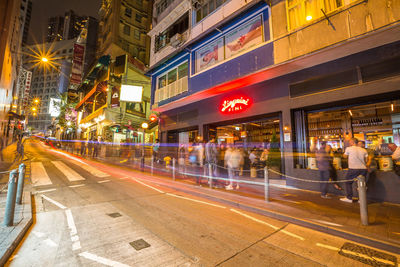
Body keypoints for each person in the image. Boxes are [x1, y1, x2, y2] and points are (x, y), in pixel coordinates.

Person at [341, 138, 369, 203]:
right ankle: (361, 199)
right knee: (361, 184)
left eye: (349, 142)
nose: (349, 143)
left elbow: (344, 156)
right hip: (363, 169)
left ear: (352, 142)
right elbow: (367, 160)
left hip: (353, 168)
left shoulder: (348, 148)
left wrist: (345, 154)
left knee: (348, 182)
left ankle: (349, 198)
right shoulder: (364, 150)